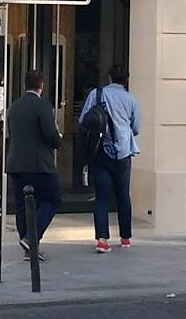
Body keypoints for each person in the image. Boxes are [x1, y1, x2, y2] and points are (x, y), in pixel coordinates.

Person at [79, 64, 141, 254]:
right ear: (126, 80)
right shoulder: (131, 100)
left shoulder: (96, 95)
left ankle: (102, 240)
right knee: (123, 195)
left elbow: (83, 120)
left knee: (102, 197)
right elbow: (136, 128)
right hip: (123, 152)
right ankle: (125, 237)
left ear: (110, 78)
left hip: (100, 151)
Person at [5, 70, 62, 260]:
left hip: (16, 163)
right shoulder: (43, 106)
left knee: (22, 205)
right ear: (41, 86)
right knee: (52, 198)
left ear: (25, 85)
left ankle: (28, 246)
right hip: (39, 164)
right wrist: (58, 141)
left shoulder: (14, 106)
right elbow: (50, 134)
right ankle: (31, 238)